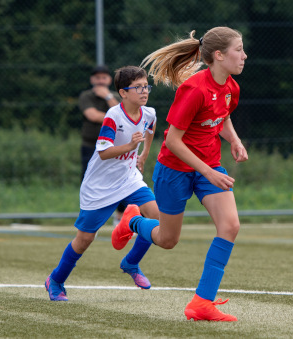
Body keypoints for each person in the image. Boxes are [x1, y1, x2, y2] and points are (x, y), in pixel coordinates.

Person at [112, 27, 248, 322]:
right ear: (219, 55)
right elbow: (173, 140)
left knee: (230, 226)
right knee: (167, 239)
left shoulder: (231, 87)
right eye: (239, 49)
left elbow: (221, 117)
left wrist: (234, 140)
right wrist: (208, 172)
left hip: (207, 167)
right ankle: (133, 221)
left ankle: (202, 303)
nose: (244, 55)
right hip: (174, 169)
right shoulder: (195, 89)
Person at [45, 66, 159, 301]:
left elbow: (152, 126)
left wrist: (144, 154)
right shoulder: (113, 116)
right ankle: (55, 280)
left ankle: (131, 262)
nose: (144, 91)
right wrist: (129, 147)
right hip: (100, 186)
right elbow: (104, 151)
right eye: (137, 87)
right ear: (123, 93)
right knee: (85, 239)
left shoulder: (148, 113)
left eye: (146, 85)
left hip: (129, 179)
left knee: (158, 217)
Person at [78, 65, 125, 224]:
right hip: (91, 146)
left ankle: (120, 218)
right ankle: (89, 221)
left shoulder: (116, 96)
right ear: (92, 80)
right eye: (97, 78)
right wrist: (113, 116)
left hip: (114, 146)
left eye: (103, 77)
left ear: (109, 80)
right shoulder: (86, 96)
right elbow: (92, 115)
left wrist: (107, 97)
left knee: (119, 180)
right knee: (89, 181)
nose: (100, 81)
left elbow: (122, 115)